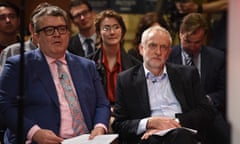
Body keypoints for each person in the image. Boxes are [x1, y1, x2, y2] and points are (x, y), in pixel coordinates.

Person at [0, 5, 110, 144]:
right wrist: (34, 132)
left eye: (62, 29)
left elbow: (102, 103)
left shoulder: (87, 66)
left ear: (69, 33)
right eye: (49, 30)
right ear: (36, 35)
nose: (57, 34)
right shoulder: (18, 66)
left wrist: (100, 127)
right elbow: (4, 105)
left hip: (86, 139)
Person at [112, 26, 215, 144]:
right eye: (152, 46)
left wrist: (173, 123)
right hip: (147, 139)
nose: (158, 52)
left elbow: (207, 111)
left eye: (163, 47)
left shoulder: (187, 75)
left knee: (180, 136)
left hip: (182, 134)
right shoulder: (126, 80)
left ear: (169, 52)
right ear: (141, 49)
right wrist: (149, 123)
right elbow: (119, 124)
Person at [167, 13, 229, 144]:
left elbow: (224, 92)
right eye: (188, 41)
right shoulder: (167, 56)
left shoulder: (217, 58)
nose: (192, 46)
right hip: (178, 112)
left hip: (208, 111)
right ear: (180, 34)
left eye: (197, 42)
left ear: (204, 39)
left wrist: (206, 100)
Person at [89, 9, 140, 106]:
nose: (112, 32)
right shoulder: (88, 63)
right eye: (106, 28)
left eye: (116, 27)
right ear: (99, 33)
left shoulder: (136, 66)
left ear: (122, 31)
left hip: (125, 115)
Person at [0, 2, 51, 75]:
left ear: (19, 20)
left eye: (12, 16)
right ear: (32, 28)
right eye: (2, 18)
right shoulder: (12, 51)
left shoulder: (62, 50)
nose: (8, 21)